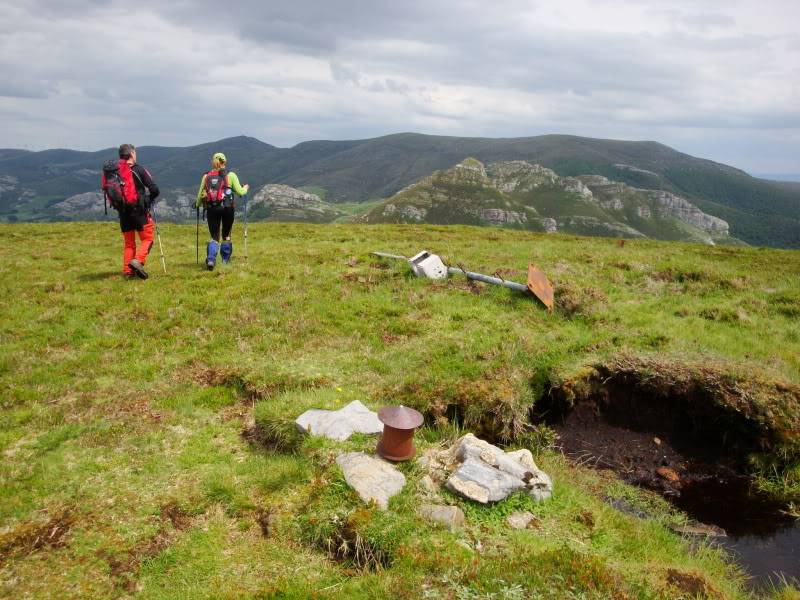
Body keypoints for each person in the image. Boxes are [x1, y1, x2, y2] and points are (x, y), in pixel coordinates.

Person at [107, 144, 160, 279]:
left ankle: (127, 272)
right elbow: (154, 190)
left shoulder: (115, 172)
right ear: (131, 153)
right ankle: (137, 261)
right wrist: (147, 200)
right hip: (139, 211)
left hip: (123, 212)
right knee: (148, 239)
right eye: (135, 153)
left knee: (129, 243)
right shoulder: (139, 170)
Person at [195, 152, 249, 270]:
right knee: (226, 235)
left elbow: (199, 196)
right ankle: (225, 261)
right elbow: (240, 192)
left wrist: (197, 205)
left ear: (213, 162)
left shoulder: (206, 176)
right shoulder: (231, 175)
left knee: (214, 236)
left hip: (212, 208)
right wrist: (245, 188)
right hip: (228, 208)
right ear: (225, 162)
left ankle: (210, 259)